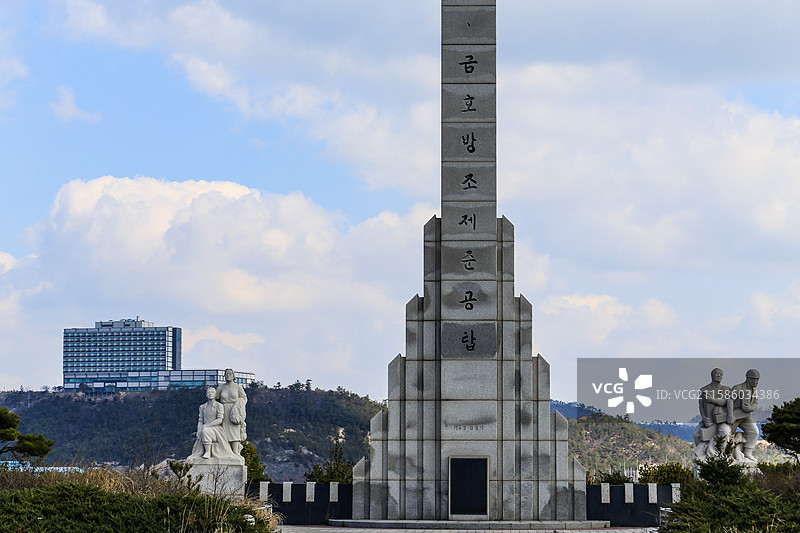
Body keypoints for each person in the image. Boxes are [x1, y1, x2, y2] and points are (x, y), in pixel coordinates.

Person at [188, 387, 238, 460]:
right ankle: (204, 451)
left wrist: (207, 426)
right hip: (204, 428)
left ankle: (208, 452)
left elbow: (219, 419)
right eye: (208, 392)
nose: (210, 394)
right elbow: (200, 420)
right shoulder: (202, 407)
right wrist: (199, 430)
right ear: (206, 395)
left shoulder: (219, 406)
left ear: (215, 395)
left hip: (216, 429)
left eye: (212, 392)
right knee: (204, 431)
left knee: (205, 430)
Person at [694, 368, 733, 457]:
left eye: (721, 374)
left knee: (725, 432)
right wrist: (704, 417)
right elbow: (701, 406)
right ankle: (703, 454)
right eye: (717, 374)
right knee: (696, 435)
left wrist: (712, 400)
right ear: (712, 375)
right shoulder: (704, 389)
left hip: (721, 419)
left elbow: (726, 402)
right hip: (708, 419)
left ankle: (721, 454)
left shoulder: (726, 390)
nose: (719, 376)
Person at [730, 369, 760, 463]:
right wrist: (730, 415)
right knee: (728, 435)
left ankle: (747, 452)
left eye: (757, 380)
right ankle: (728, 454)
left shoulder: (754, 391)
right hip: (735, 416)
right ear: (748, 379)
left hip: (745, 416)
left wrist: (750, 409)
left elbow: (755, 403)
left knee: (754, 432)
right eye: (754, 379)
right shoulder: (738, 387)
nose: (756, 382)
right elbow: (730, 400)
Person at [215, 368, 248, 455]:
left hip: (234, 411)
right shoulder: (221, 387)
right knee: (223, 431)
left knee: (234, 431)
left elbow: (244, 398)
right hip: (223, 410)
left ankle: (235, 451)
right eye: (226, 374)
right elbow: (215, 398)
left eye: (230, 374)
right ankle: (224, 450)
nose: (228, 375)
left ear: (234, 376)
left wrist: (239, 406)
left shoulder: (238, 387)